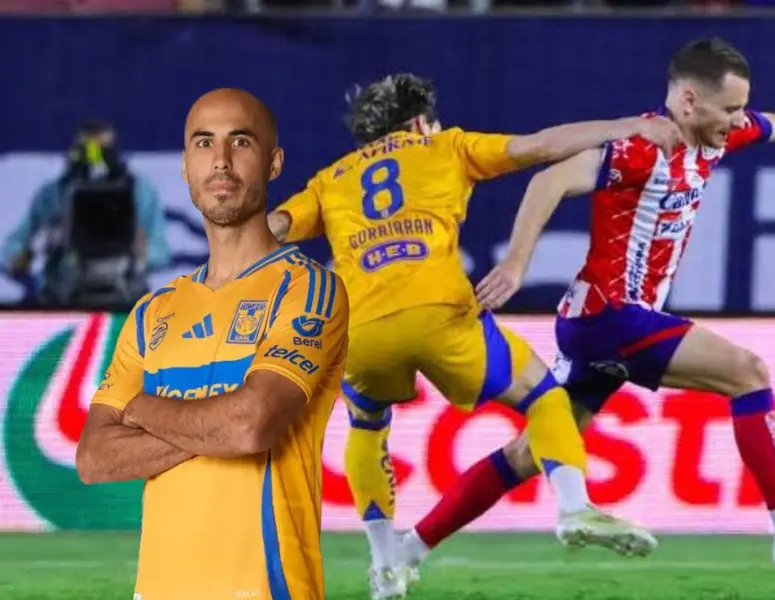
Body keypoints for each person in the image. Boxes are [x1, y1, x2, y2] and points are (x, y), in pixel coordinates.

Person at [394, 36, 775, 586]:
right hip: (610, 317)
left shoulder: (716, 139)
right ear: (688, 101)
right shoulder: (642, 145)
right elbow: (550, 178)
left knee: (528, 452)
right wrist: (516, 263)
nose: (738, 120)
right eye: (729, 108)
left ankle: (409, 546)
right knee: (747, 373)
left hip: (598, 326)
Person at [267, 73, 683, 599]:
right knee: (544, 396)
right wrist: (627, 126)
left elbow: (275, 228)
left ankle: (385, 569)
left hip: (361, 327)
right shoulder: (446, 145)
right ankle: (575, 506)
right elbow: (543, 147)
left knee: (367, 427)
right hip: (440, 311)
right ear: (418, 121)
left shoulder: (330, 180)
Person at [74, 88, 350, 600]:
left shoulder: (307, 288)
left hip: (264, 587)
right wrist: (209, 428)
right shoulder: (152, 312)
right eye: (204, 143)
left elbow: (250, 426)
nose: (220, 161)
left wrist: (142, 408)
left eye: (240, 142)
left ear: (274, 163)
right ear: (185, 165)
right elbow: (94, 458)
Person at [4, 118, 171, 307]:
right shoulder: (55, 193)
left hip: (125, 296)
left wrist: (143, 252)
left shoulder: (140, 191)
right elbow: (12, 248)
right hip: (63, 297)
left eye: (102, 143)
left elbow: (162, 253)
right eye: (89, 142)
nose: (95, 150)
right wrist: (21, 256)